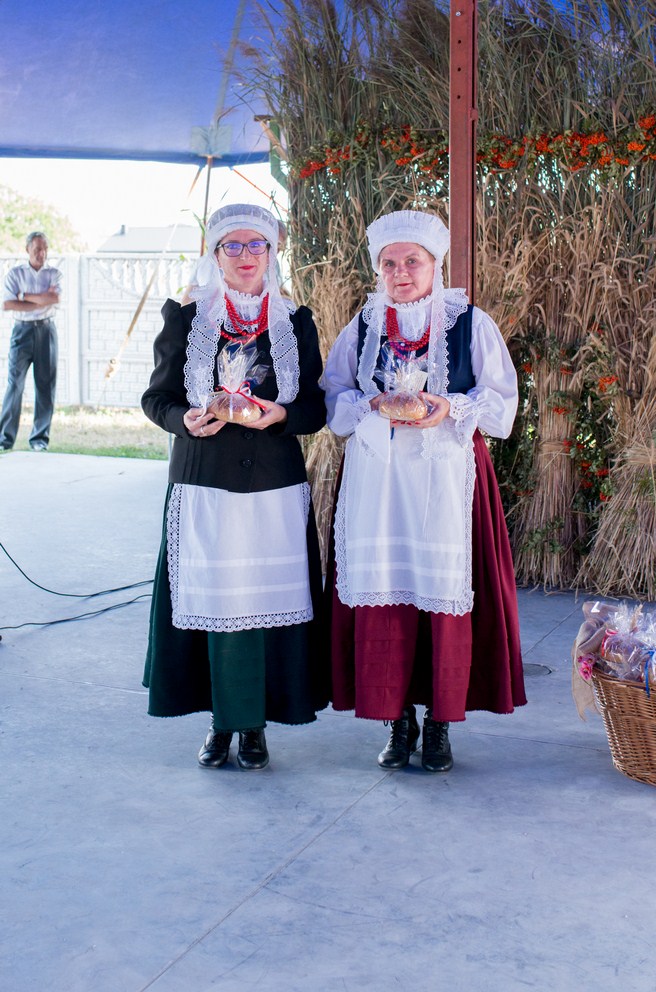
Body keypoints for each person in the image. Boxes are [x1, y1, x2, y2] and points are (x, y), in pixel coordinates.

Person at [322, 209, 526, 772]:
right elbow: (332, 397)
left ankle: (438, 723)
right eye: (389, 263)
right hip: (378, 482)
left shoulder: (468, 323)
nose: (400, 272)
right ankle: (397, 721)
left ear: (435, 266)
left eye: (412, 261)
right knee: (387, 594)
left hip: (445, 478)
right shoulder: (363, 326)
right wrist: (370, 404)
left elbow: (501, 400)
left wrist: (449, 407)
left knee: (437, 593)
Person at [141, 203, 328, 770]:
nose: (246, 257)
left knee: (265, 606)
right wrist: (185, 421)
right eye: (233, 247)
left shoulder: (294, 320)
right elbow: (157, 398)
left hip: (273, 483)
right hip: (204, 481)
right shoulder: (185, 314)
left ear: (272, 254)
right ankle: (222, 724)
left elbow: (316, 406)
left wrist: (280, 416)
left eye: (257, 247)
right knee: (212, 603)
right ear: (215, 254)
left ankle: (255, 730)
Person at [0, 231, 61, 451]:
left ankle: (39, 440)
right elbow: (8, 304)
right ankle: (4, 440)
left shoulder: (54, 273)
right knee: (14, 385)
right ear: (27, 249)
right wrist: (39, 300)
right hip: (22, 332)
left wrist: (23, 296)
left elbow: (54, 299)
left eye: (44, 249)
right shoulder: (15, 274)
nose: (41, 253)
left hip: (46, 331)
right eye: (37, 249)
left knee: (45, 385)